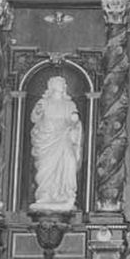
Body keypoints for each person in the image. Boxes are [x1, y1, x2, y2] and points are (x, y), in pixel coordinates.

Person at [30, 76, 83, 211]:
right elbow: (34, 118)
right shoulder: (44, 102)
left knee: (70, 162)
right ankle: (46, 194)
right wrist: (38, 112)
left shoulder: (69, 104)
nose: (62, 85)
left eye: (63, 83)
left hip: (64, 139)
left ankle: (65, 194)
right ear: (52, 85)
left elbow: (74, 121)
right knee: (46, 168)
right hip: (47, 141)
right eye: (59, 83)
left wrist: (74, 120)